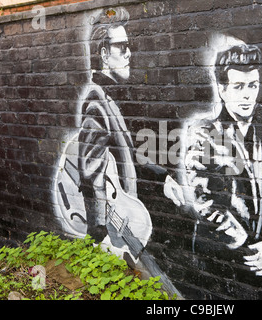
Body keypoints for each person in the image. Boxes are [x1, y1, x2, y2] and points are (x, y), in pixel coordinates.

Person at [166, 37, 262, 278]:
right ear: (222, 89)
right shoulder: (204, 135)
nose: (247, 95)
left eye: (253, 85)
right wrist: (249, 246)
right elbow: (205, 203)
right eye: (238, 86)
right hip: (219, 262)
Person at [54, 8, 151, 267]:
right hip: (115, 228)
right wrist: (101, 231)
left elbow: (126, 155)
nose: (129, 53)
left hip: (125, 219)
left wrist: (163, 177)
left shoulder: (110, 98)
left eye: (128, 46)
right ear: (104, 54)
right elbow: (91, 168)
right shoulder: (97, 100)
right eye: (122, 47)